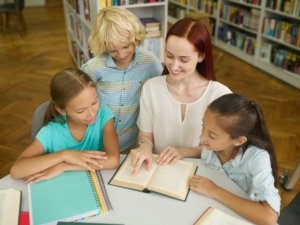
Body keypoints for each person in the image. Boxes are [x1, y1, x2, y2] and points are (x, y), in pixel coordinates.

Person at [130, 17, 231, 175]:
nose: (174, 66)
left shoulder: (220, 95)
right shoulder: (151, 88)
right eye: (169, 56)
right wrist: (144, 146)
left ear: (201, 56)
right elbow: (145, 135)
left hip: (201, 174)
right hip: (157, 169)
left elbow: (222, 147)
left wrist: (183, 152)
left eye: (184, 59)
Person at [10, 68, 120, 183]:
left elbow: (113, 160)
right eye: (81, 111)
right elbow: (16, 170)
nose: (92, 113)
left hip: (95, 182)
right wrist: (64, 155)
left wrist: (64, 166)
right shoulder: (51, 131)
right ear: (61, 110)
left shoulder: (104, 117)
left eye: (94, 103)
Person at [189, 93, 280, 225]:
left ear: (238, 141)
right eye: (203, 126)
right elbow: (202, 151)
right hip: (218, 209)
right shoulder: (215, 148)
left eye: (212, 135)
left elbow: (269, 217)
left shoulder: (257, 158)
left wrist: (214, 190)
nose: (201, 138)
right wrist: (181, 152)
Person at [81, 7, 163, 152]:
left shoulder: (150, 63)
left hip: (131, 141)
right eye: (113, 50)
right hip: (97, 141)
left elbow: (161, 94)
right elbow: (77, 97)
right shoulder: (94, 67)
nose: (121, 54)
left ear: (135, 38)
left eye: (126, 46)